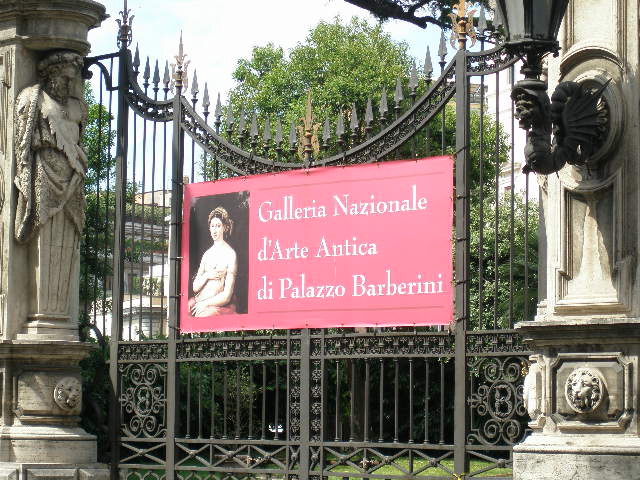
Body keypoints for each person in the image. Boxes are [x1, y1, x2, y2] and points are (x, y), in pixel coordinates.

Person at [14, 50, 87, 322]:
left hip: (72, 180)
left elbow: (79, 144)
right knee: (43, 239)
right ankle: (42, 315)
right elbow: (22, 146)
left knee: (68, 240)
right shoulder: (33, 98)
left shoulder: (77, 107)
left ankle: (56, 316)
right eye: (65, 79)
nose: (69, 85)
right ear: (51, 75)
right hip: (44, 176)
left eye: (72, 80)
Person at [189, 206, 238, 317]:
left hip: (217, 306)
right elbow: (195, 287)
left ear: (224, 227)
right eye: (212, 226)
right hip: (199, 300)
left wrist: (204, 304)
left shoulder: (230, 254)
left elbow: (227, 296)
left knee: (204, 315)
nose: (215, 230)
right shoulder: (207, 254)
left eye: (218, 226)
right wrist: (207, 275)